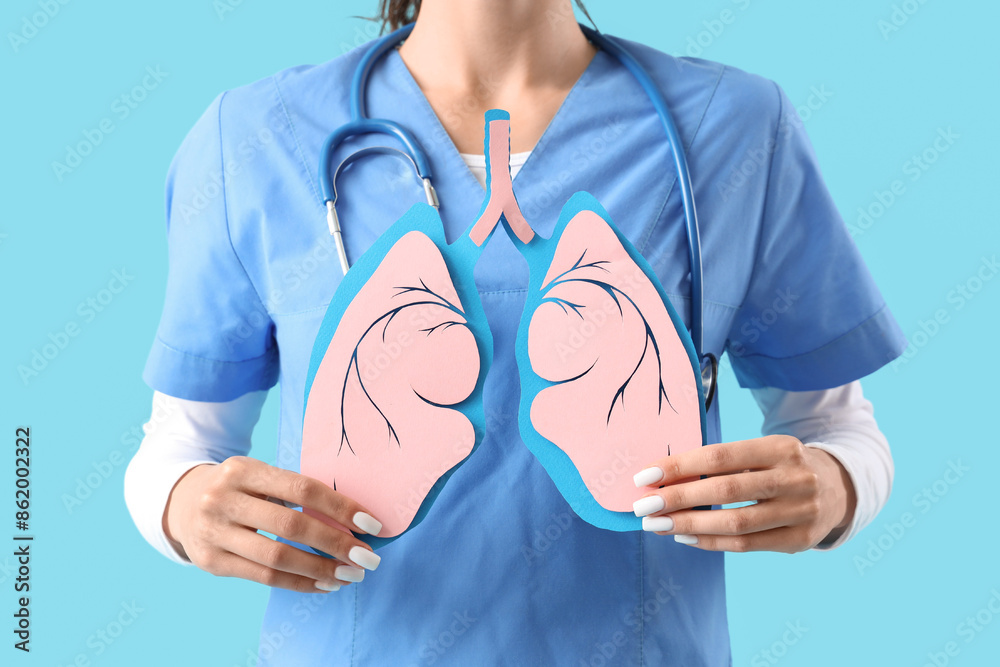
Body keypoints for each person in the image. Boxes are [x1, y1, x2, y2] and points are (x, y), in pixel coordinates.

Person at [123, 0, 908, 664]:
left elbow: (838, 431)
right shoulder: (258, 138)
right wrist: (184, 508)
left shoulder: (733, 130)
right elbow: (180, 446)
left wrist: (833, 489)